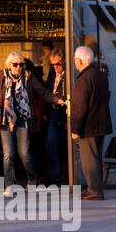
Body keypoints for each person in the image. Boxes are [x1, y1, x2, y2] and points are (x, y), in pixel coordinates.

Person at [0, 50, 59, 195]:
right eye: (15, 65)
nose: (18, 67)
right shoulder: (2, 77)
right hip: (5, 120)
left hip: (23, 120)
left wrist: (55, 99)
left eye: (21, 64)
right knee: (9, 153)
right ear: (9, 65)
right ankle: (10, 184)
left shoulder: (28, 77)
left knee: (24, 153)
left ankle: (32, 179)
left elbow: (42, 92)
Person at [69, 46, 112, 201]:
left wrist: (75, 129)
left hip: (89, 126)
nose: (75, 62)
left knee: (89, 160)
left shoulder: (83, 79)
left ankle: (94, 190)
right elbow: (107, 97)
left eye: (75, 60)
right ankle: (95, 188)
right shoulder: (101, 75)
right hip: (101, 124)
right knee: (96, 157)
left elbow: (79, 106)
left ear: (80, 60)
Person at [43, 51, 68, 185]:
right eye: (53, 65)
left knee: (68, 144)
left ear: (63, 61)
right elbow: (48, 89)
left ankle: (73, 176)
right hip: (53, 111)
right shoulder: (53, 73)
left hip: (66, 111)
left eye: (57, 64)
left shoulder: (69, 73)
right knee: (51, 143)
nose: (55, 67)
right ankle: (54, 177)